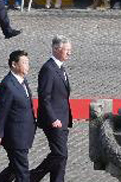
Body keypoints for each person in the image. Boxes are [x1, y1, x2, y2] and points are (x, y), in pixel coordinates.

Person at [30, 36, 73, 182]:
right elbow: (44, 97)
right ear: (56, 49)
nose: (69, 53)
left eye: (69, 50)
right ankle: (32, 177)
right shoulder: (48, 69)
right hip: (54, 120)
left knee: (61, 156)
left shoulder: (60, 67)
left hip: (63, 119)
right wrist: (53, 118)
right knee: (60, 154)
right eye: (66, 50)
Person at [0, 50, 37, 182]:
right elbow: (1, 112)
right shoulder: (8, 85)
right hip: (15, 137)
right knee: (22, 173)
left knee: (14, 167)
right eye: (24, 63)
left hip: (24, 134)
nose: (27, 66)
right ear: (14, 64)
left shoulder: (22, 81)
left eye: (28, 63)